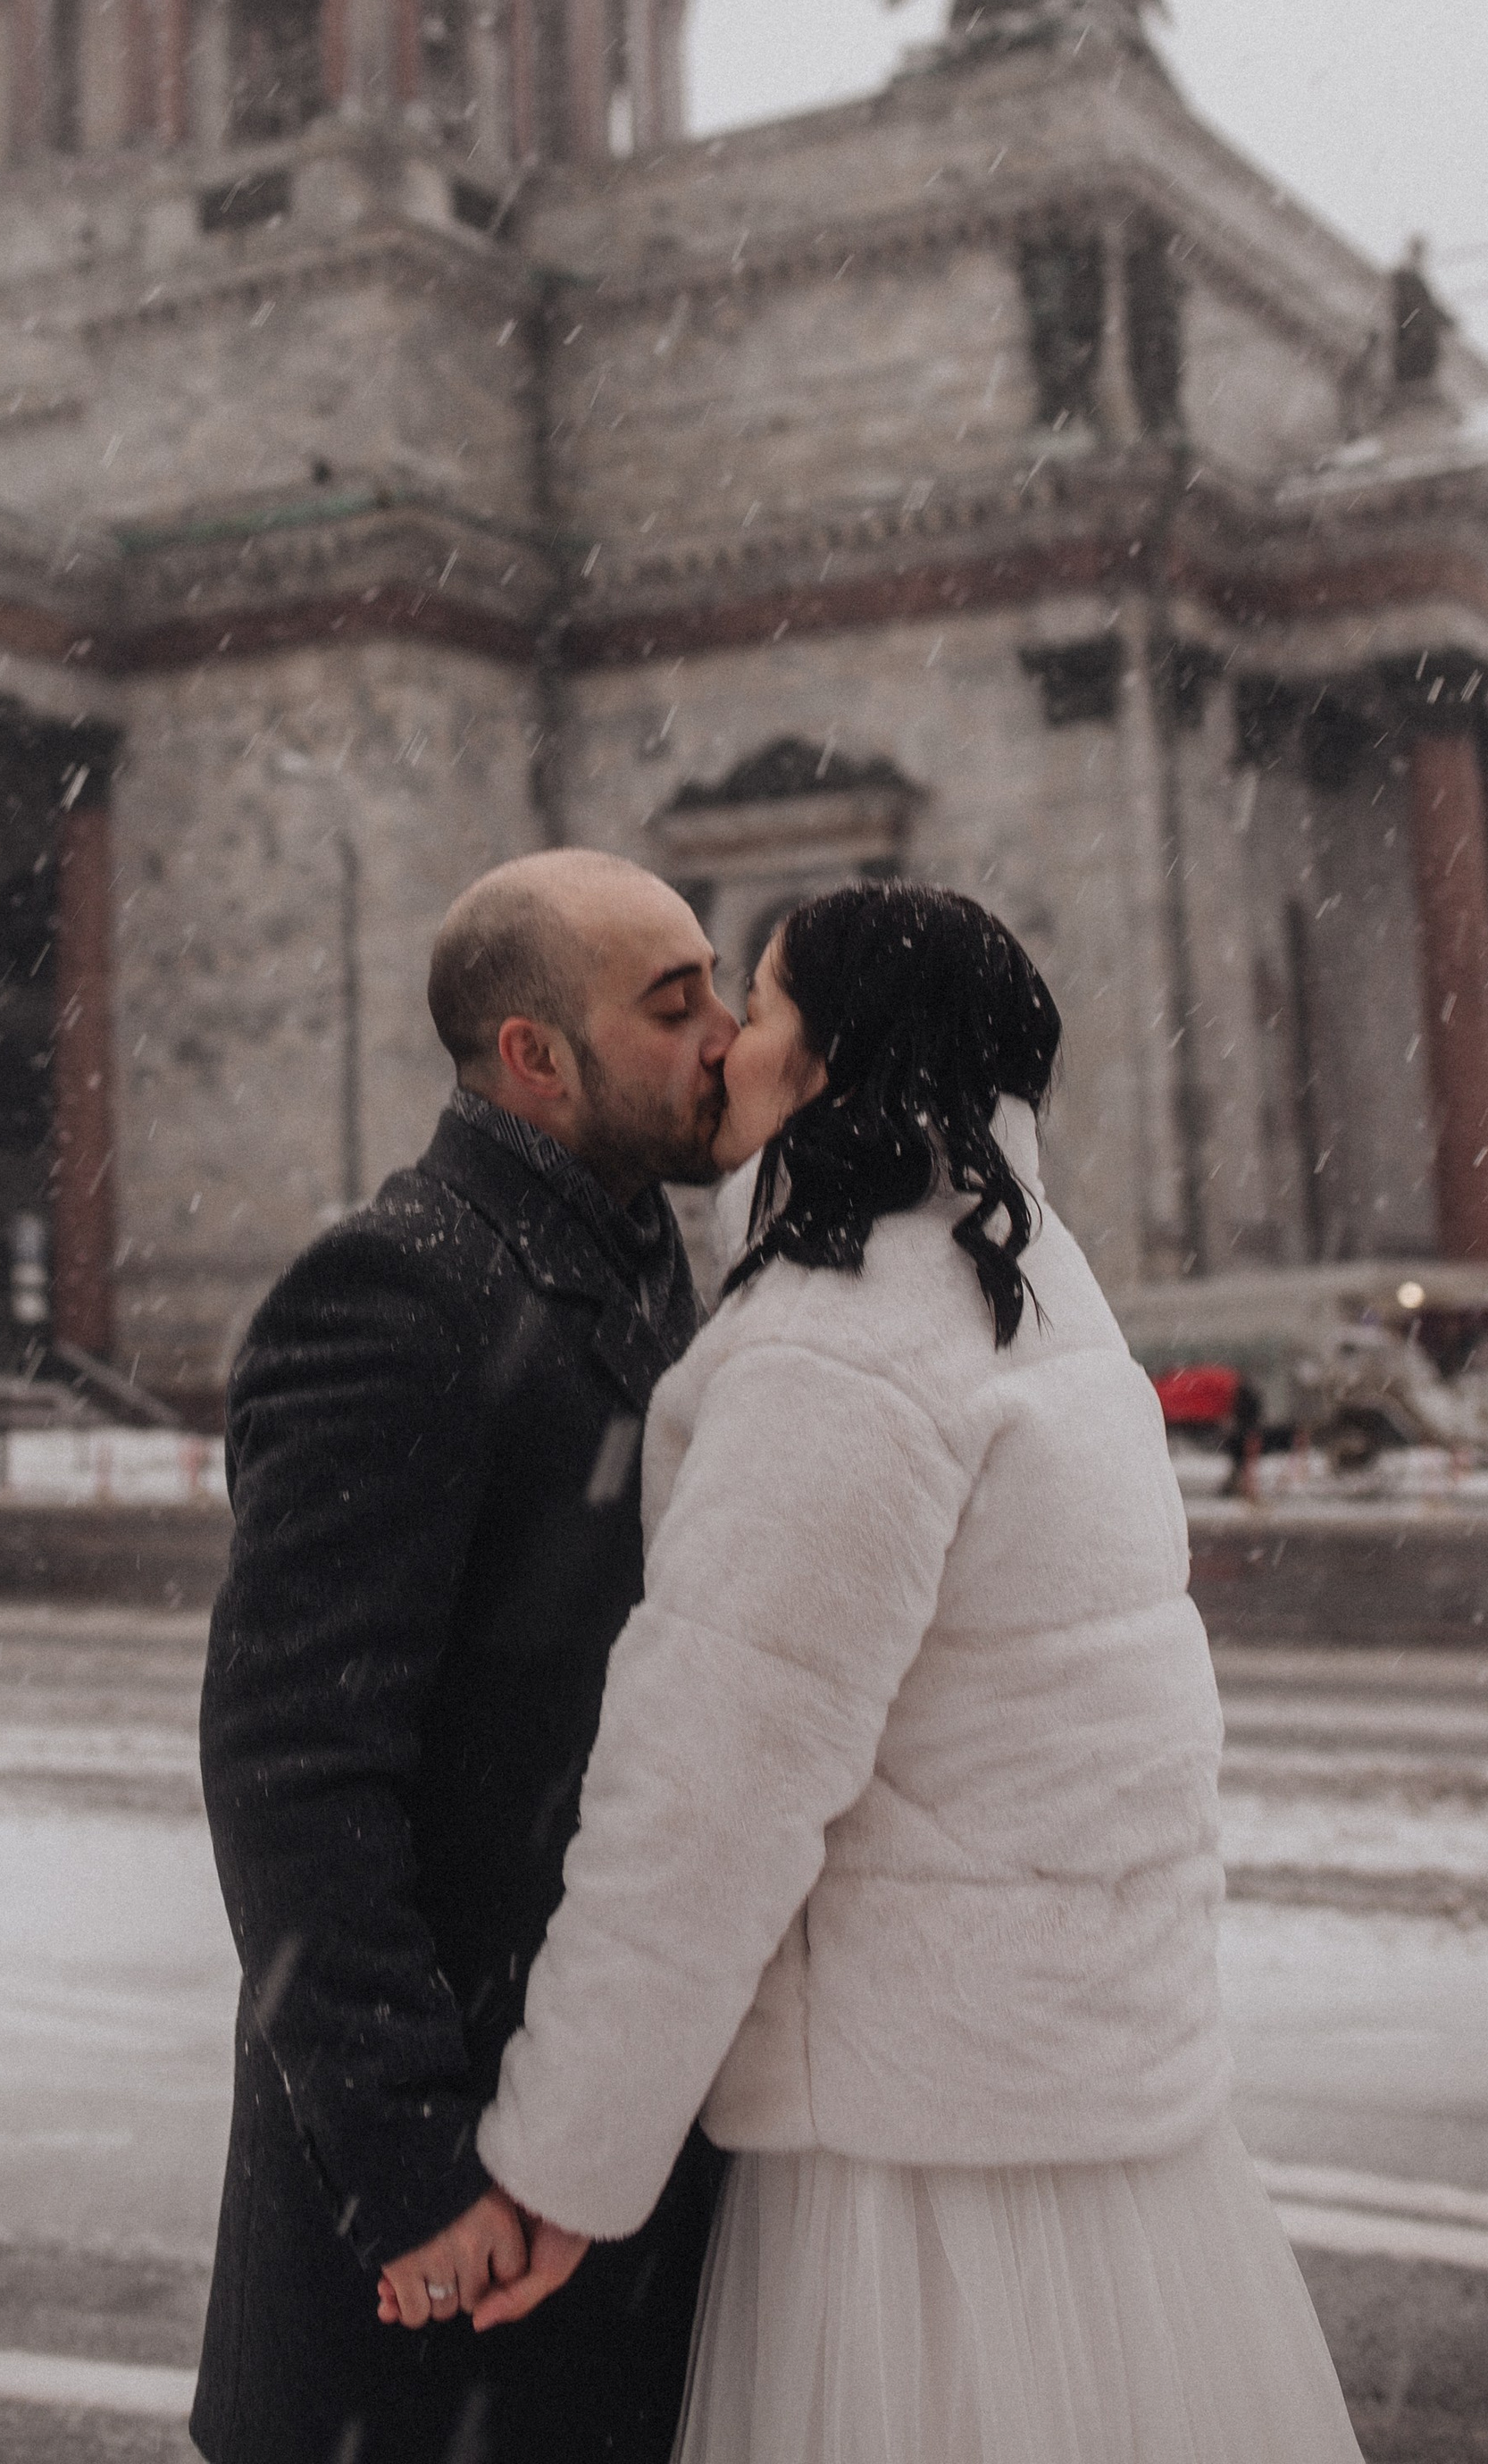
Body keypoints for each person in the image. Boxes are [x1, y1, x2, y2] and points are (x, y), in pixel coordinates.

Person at [457, 880, 1365, 2463]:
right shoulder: (1039, 1301)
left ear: (832, 1065)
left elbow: (709, 1801)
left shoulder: (841, 1348)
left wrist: (562, 2162)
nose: (728, 1039)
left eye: (762, 1004)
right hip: (1106, 2135)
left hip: (910, 2166)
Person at [189, 848, 737, 2464]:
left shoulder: (646, 1266)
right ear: (535, 1058)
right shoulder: (397, 1295)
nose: (724, 1031)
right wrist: (411, 2169)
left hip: (586, 2152)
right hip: (448, 2219)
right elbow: (294, 1767)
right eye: (674, 1000)